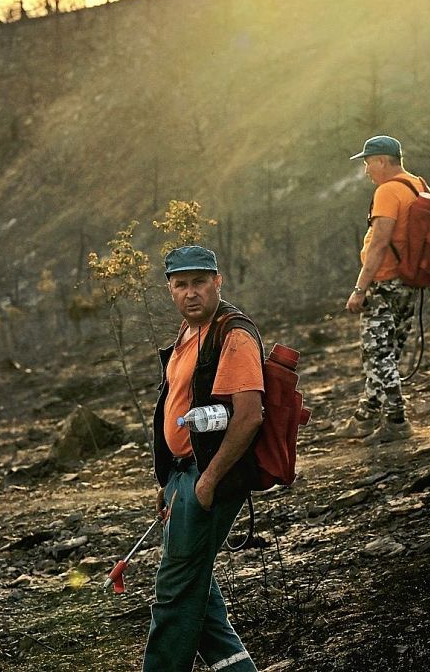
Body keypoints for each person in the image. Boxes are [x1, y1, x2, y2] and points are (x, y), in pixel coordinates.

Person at [144, 245, 261, 672]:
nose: (190, 293)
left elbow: (249, 417)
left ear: (217, 281)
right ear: (170, 290)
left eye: (198, 283)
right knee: (197, 589)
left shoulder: (232, 334)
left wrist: (208, 481)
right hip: (182, 477)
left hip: (208, 477)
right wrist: (168, 483)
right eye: (181, 285)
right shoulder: (187, 333)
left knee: (174, 593)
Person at [340, 135, 426, 444]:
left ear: (381, 161)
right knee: (386, 352)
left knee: (378, 355)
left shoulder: (388, 191)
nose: (366, 170)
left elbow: (378, 244)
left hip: (385, 284)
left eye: (367, 162)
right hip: (410, 283)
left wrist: (360, 288)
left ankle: (396, 421)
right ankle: (366, 415)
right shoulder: (418, 184)